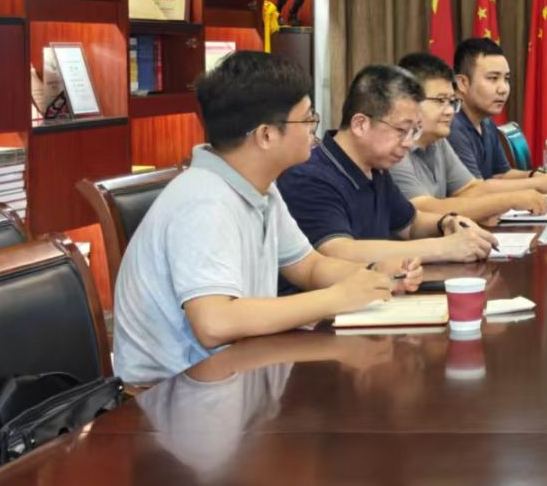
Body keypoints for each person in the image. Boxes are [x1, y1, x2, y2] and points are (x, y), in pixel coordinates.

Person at [111, 52, 421, 385]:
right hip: (173, 391)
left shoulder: (261, 187)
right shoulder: (204, 201)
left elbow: (309, 267)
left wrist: (373, 276)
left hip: (238, 371)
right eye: (307, 119)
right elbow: (214, 323)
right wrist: (336, 298)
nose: (314, 130)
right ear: (266, 135)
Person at [277, 64, 498, 265]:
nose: (409, 143)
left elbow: (410, 224)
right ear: (360, 124)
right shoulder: (308, 175)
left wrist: (446, 222)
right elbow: (337, 251)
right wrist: (444, 248)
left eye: (414, 131)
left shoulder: (376, 168)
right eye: (402, 130)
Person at [391, 52, 547, 224]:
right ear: (409, 101)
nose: (449, 111)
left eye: (452, 101)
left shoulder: (438, 141)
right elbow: (422, 210)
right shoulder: (394, 149)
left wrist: (490, 207)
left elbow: (469, 189)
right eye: (440, 100)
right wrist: (508, 200)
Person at [447, 36, 547, 187]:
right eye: (493, 78)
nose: (503, 89)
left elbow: (501, 174)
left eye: (506, 79)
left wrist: (534, 175)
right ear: (463, 83)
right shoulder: (451, 125)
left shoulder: (486, 122)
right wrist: (541, 183)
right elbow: (475, 190)